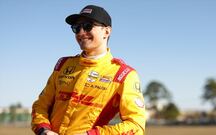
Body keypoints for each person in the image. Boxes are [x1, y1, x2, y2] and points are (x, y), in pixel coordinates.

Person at [31, 5, 146, 135]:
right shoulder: (63, 65)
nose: (80, 32)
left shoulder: (123, 75)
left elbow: (136, 126)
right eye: (76, 28)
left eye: (87, 26)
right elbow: (40, 105)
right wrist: (44, 130)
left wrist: (92, 134)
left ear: (107, 32)